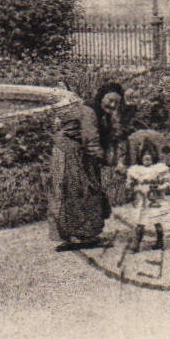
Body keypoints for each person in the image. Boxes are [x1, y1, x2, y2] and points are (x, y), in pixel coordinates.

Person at [50, 84, 114, 251]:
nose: (112, 106)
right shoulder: (88, 112)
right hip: (74, 154)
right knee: (85, 190)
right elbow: (90, 141)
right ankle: (85, 235)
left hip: (65, 153)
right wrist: (107, 160)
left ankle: (73, 234)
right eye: (109, 100)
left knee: (69, 192)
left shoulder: (77, 113)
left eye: (116, 102)